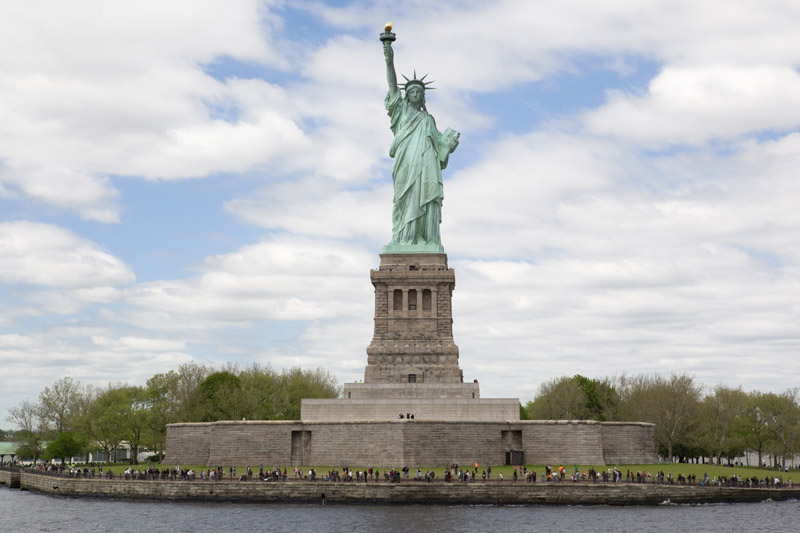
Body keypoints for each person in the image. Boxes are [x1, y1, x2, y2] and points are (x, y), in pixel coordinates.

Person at [382, 37, 459, 249]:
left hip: (426, 167)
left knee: (423, 197)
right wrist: (388, 54)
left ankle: (424, 238)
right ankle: (403, 238)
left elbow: (441, 146)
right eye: (412, 92)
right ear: (406, 96)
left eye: (419, 92)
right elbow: (391, 83)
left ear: (423, 97)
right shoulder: (401, 111)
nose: (415, 94)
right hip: (406, 164)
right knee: (404, 199)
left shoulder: (428, 120)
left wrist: (449, 145)